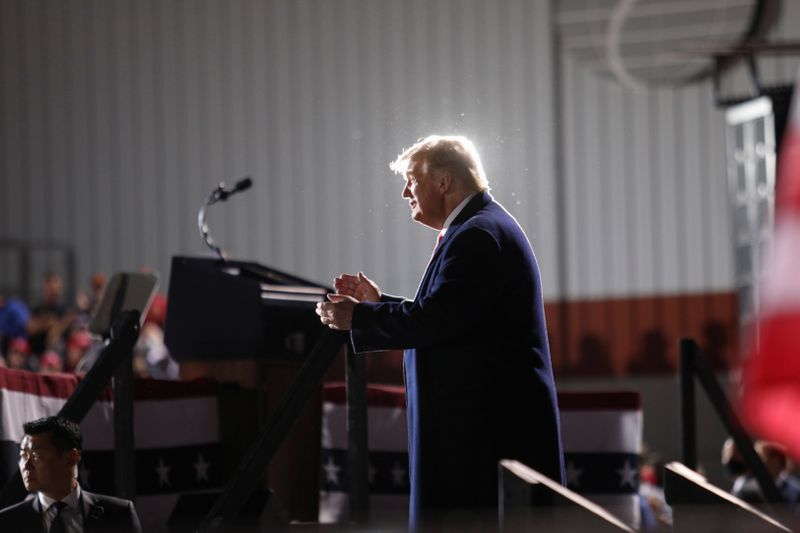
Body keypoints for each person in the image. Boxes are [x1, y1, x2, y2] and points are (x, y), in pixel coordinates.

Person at [316, 135, 565, 528]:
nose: (404, 192)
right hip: (479, 430)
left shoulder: (477, 235)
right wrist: (378, 304)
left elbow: (437, 321)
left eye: (412, 180)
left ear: (444, 182)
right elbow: (455, 314)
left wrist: (360, 319)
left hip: (483, 437)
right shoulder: (478, 227)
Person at [0, 416, 142, 532]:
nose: (26, 465)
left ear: (71, 457)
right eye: (23, 455)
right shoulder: (6, 522)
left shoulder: (119, 514)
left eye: (36, 455)